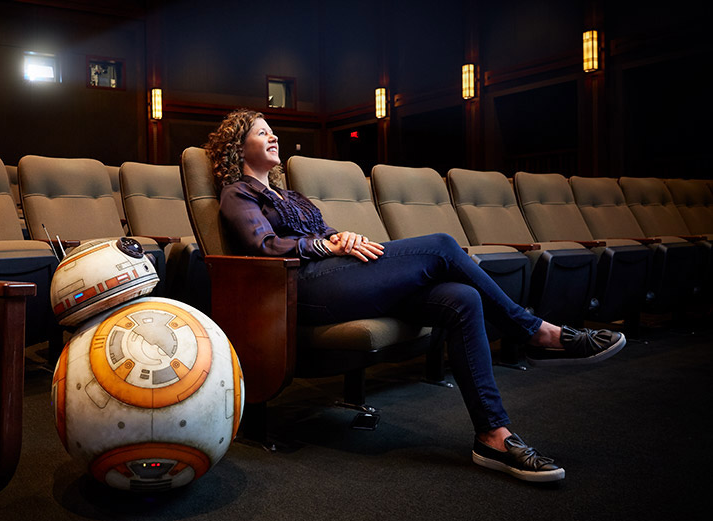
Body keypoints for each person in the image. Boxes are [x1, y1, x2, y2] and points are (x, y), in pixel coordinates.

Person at [204, 108, 626, 482]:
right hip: (300, 289)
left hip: (337, 278)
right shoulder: (238, 193)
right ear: (239, 150)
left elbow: (324, 232)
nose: (273, 136)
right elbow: (263, 247)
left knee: (463, 299)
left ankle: (493, 435)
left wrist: (342, 237)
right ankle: (536, 333)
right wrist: (328, 246)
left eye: (272, 130)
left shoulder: (290, 195)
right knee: (443, 245)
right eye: (261, 132)